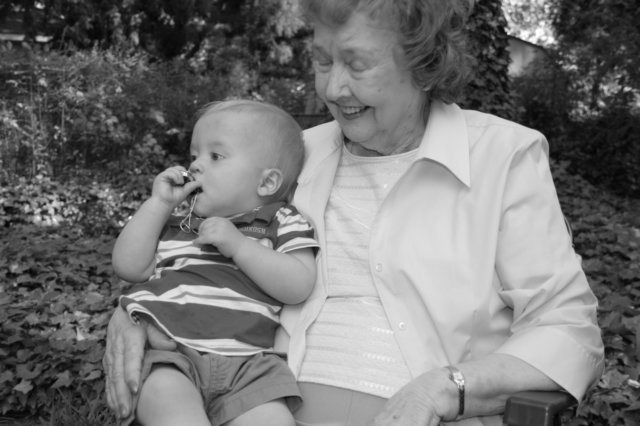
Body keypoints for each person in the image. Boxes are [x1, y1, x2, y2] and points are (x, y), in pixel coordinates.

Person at [103, 1, 605, 425]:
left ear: (423, 61)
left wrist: (446, 388)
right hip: (266, 402)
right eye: (322, 61)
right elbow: (193, 261)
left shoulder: (503, 156)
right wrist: (136, 314)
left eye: (357, 64)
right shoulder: (291, 156)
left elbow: (567, 330)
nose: (332, 88)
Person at [110, 99, 318, 426]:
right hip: (171, 355)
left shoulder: (279, 220)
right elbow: (128, 266)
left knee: (273, 420)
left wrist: (239, 247)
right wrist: (158, 204)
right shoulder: (178, 222)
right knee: (170, 404)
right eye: (194, 155)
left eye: (215, 156)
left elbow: (299, 285)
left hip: (249, 367)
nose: (195, 166)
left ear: (267, 183)